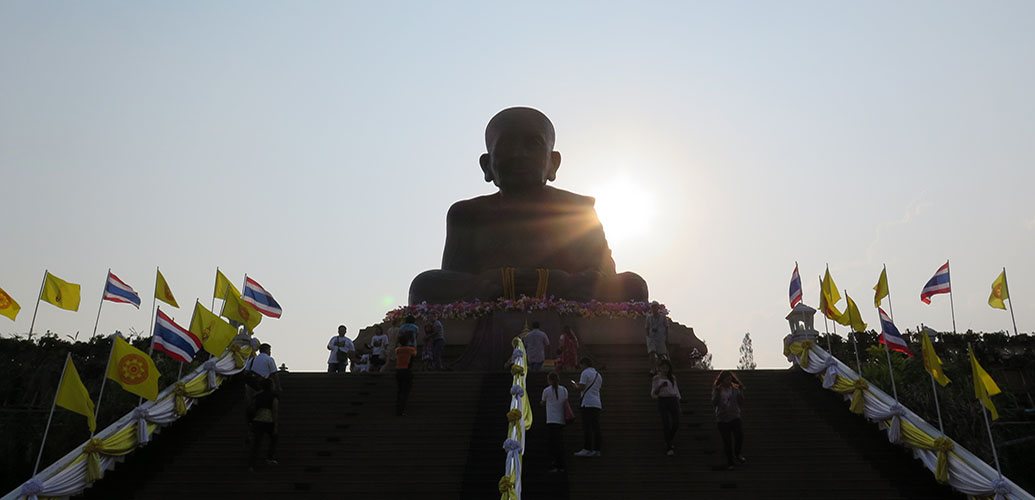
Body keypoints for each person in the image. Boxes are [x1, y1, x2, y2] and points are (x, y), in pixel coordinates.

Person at [407, 107, 648, 305]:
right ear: (487, 166)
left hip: (563, 292)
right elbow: (454, 279)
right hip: (494, 294)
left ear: (553, 163)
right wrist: (492, 283)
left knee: (633, 285)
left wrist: (556, 282)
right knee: (423, 285)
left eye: (533, 144)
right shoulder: (467, 214)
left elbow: (604, 277)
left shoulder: (577, 210)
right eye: (506, 145)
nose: (519, 154)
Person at [711, 371, 746, 470]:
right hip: (722, 418)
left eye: (730, 379)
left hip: (735, 416)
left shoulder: (735, 390)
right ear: (722, 380)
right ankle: (730, 462)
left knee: (739, 436)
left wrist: (741, 392)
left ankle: (737, 454)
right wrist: (717, 393)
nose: (728, 381)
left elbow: (741, 402)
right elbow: (714, 403)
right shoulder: (717, 390)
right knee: (727, 441)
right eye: (726, 379)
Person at [248, 377, 279, 472]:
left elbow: (251, 409)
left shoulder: (256, 396)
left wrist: (250, 422)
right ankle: (270, 457)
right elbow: (275, 411)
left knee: (256, 443)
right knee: (273, 438)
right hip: (269, 420)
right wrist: (276, 425)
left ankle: (252, 464)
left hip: (257, 420)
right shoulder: (274, 396)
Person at [651, 360, 681, 456]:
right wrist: (660, 386)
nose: (665, 370)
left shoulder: (672, 377)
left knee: (676, 422)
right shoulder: (656, 378)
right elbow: (653, 393)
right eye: (663, 368)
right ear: (660, 368)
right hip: (662, 400)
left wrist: (678, 401)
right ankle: (669, 446)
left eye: (666, 368)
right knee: (666, 423)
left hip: (672, 399)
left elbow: (676, 390)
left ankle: (668, 439)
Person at [540, 371, 569, 472]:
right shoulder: (564, 390)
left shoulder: (546, 391)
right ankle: (562, 464)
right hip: (561, 420)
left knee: (552, 444)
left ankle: (554, 464)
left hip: (551, 420)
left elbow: (543, 402)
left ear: (549, 380)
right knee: (560, 442)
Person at [573, 357, 602, 457]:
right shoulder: (598, 375)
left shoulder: (585, 373)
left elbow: (581, 387)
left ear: (584, 364)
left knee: (587, 427)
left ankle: (587, 448)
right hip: (597, 403)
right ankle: (597, 449)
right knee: (596, 427)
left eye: (581, 365)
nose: (580, 367)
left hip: (587, 403)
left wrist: (576, 386)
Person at [395, 332, 418, 416]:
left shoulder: (398, 350)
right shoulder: (411, 350)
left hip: (398, 370)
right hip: (407, 370)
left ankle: (398, 409)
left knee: (400, 390)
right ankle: (402, 409)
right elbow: (414, 356)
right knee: (405, 391)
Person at [644, 301, 669, 372]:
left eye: (655, 307)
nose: (654, 309)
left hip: (660, 337)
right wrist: (648, 336)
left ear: (658, 308)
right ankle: (653, 369)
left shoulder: (663, 317)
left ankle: (660, 368)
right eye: (652, 307)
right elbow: (646, 328)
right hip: (652, 338)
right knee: (652, 353)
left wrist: (667, 337)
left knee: (661, 354)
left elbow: (666, 327)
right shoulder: (649, 318)